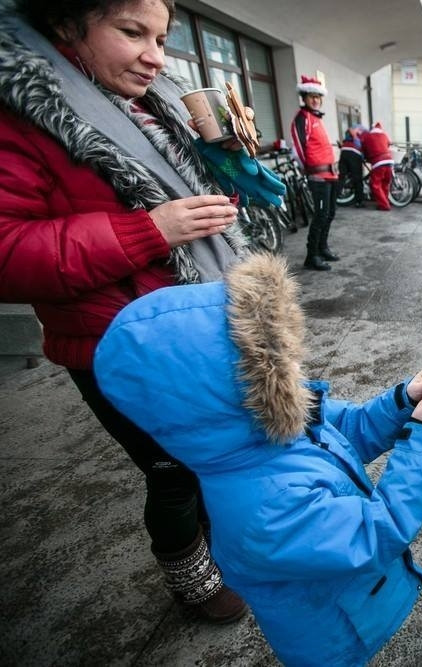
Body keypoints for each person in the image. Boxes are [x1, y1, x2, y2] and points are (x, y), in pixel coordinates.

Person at [0, 0, 257, 624]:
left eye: (162, 38)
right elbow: (8, 249)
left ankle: (218, 546)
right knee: (173, 471)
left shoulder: (153, 102)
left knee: (213, 453)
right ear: (66, 22)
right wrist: (147, 231)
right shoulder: (22, 111)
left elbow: (211, 198)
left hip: (199, 319)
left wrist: (229, 151)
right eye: (131, 32)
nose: (155, 56)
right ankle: (193, 581)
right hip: (118, 343)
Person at [93, 253, 422, 667]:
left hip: (357, 605)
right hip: (334, 638)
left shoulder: (272, 423)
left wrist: (403, 400)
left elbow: (352, 431)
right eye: (275, 362)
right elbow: (377, 533)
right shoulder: (262, 505)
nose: (293, 368)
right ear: (230, 392)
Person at [291, 74, 341, 270]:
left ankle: (323, 248)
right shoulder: (301, 119)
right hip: (317, 176)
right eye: (311, 96)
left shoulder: (316, 118)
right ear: (304, 97)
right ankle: (312, 256)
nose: (315, 100)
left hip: (330, 175)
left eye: (318, 97)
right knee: (320, 215)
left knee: (329, 214)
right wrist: (309, 170)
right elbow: (300, 148)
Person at [361, 121, 394, 211]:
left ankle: (384, 205)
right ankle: (385, 200)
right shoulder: (384, 135)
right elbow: (388, 144)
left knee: (375, 184)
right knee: (385, 183)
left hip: (378, 162)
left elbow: (363, 148)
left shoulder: (368, 136)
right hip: (389, 161)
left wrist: (366, 157)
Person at [339, 124, 366, 209]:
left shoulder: (350, 131)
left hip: (344, 151)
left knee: (341, 177)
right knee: (358, 179)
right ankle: (359, 202)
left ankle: (333, 199)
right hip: (354, 153)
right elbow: (363, 146)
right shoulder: (363, 131)